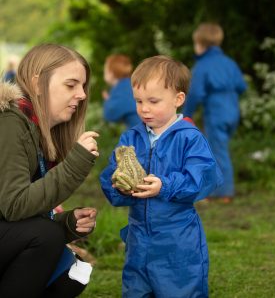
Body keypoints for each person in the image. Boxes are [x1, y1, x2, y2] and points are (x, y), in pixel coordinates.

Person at [100, 55, 223, 297]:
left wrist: (164, 186)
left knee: (180, 290)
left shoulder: (189, 137)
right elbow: (109, 175)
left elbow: (204, 178)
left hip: (177, 240)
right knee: (136, 289)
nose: (144, 109)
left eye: (153, 101)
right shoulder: (131, 138)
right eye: (138, 101)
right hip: (138, 238)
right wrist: (119, 186)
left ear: (178, 99)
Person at [0, 43, 99, 298]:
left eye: (83, 86)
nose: (82, 95)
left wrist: (68, 222)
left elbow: (24, 216)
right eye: (71, 85)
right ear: (37, 84)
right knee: (46, 237)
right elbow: (14, 206)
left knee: (72, 276)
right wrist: (75, 165)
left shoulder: (39, 132)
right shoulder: (10, 122)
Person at [183, 22, 247, 203]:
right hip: (233, 110)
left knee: (216, 151)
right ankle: (218, 189)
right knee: (220, 148)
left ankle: (222, 193)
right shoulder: (230, 63)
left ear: (200, 44)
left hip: (216, 111)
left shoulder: (202, 66)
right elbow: (242, 86)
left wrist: (187, 114)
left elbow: (195, 94)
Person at [102, 54, 140, 129]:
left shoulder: (120, 90)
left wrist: (108, 101)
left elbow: (110, 115)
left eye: (105, 70)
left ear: (111, 73)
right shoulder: (130, 84)